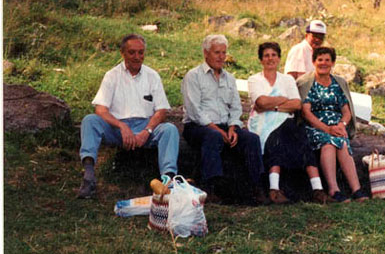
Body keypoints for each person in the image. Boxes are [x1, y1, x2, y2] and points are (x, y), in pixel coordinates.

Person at [78, 34, 179, 198]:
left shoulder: (152, 76)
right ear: (122, 53)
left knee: (169, 129)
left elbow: (161, 111)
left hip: (145, 128)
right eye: (132, 52)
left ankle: (168, 182)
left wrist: (147, 131)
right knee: (90, 121)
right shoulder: (112, 75)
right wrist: (122, 126)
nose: (137, 57)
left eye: (141, 52)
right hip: (117, 128)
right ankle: (89, 176)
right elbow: (101, 109)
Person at [182, 34, 267, 205]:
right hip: (197, 126)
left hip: (224, 125)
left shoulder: (229, 78)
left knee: (251, 139)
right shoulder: (193, 76)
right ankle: (211, 187)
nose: (221, 57)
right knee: (212, 136)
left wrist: (233, 127)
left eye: (223, 53)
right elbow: (194, 111)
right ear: (206, 53)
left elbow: (236, 107)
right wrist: (217, 129)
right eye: (217, 52)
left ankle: (257, 187)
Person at [247, 42, 328, 205]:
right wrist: (283, 100)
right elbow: (260, 102)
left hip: (284, 121)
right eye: (266, 55)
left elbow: (297, 104)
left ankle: (316, 190)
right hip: (263, 122)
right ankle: (280, 189)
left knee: (298, 134)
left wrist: (274, 106)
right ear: (261, 59)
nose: (270, 59)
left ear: (279, 58)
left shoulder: (287, 79)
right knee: (283, 133)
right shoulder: (254, 79)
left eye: (273, 55)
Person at [297, 47, 367, 203]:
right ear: (314, 62)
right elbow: (306, 113)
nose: (323, 63)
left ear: (333, 63)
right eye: (320, 60)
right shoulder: (306, 82)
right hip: (314, 126)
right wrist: (326, 128)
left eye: (327, 60)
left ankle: (356, 189)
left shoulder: (338, 83)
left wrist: (342, 125)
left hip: (336, 126)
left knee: (341, 142)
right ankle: (333, 189)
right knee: (328, 143)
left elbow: (346, 111)